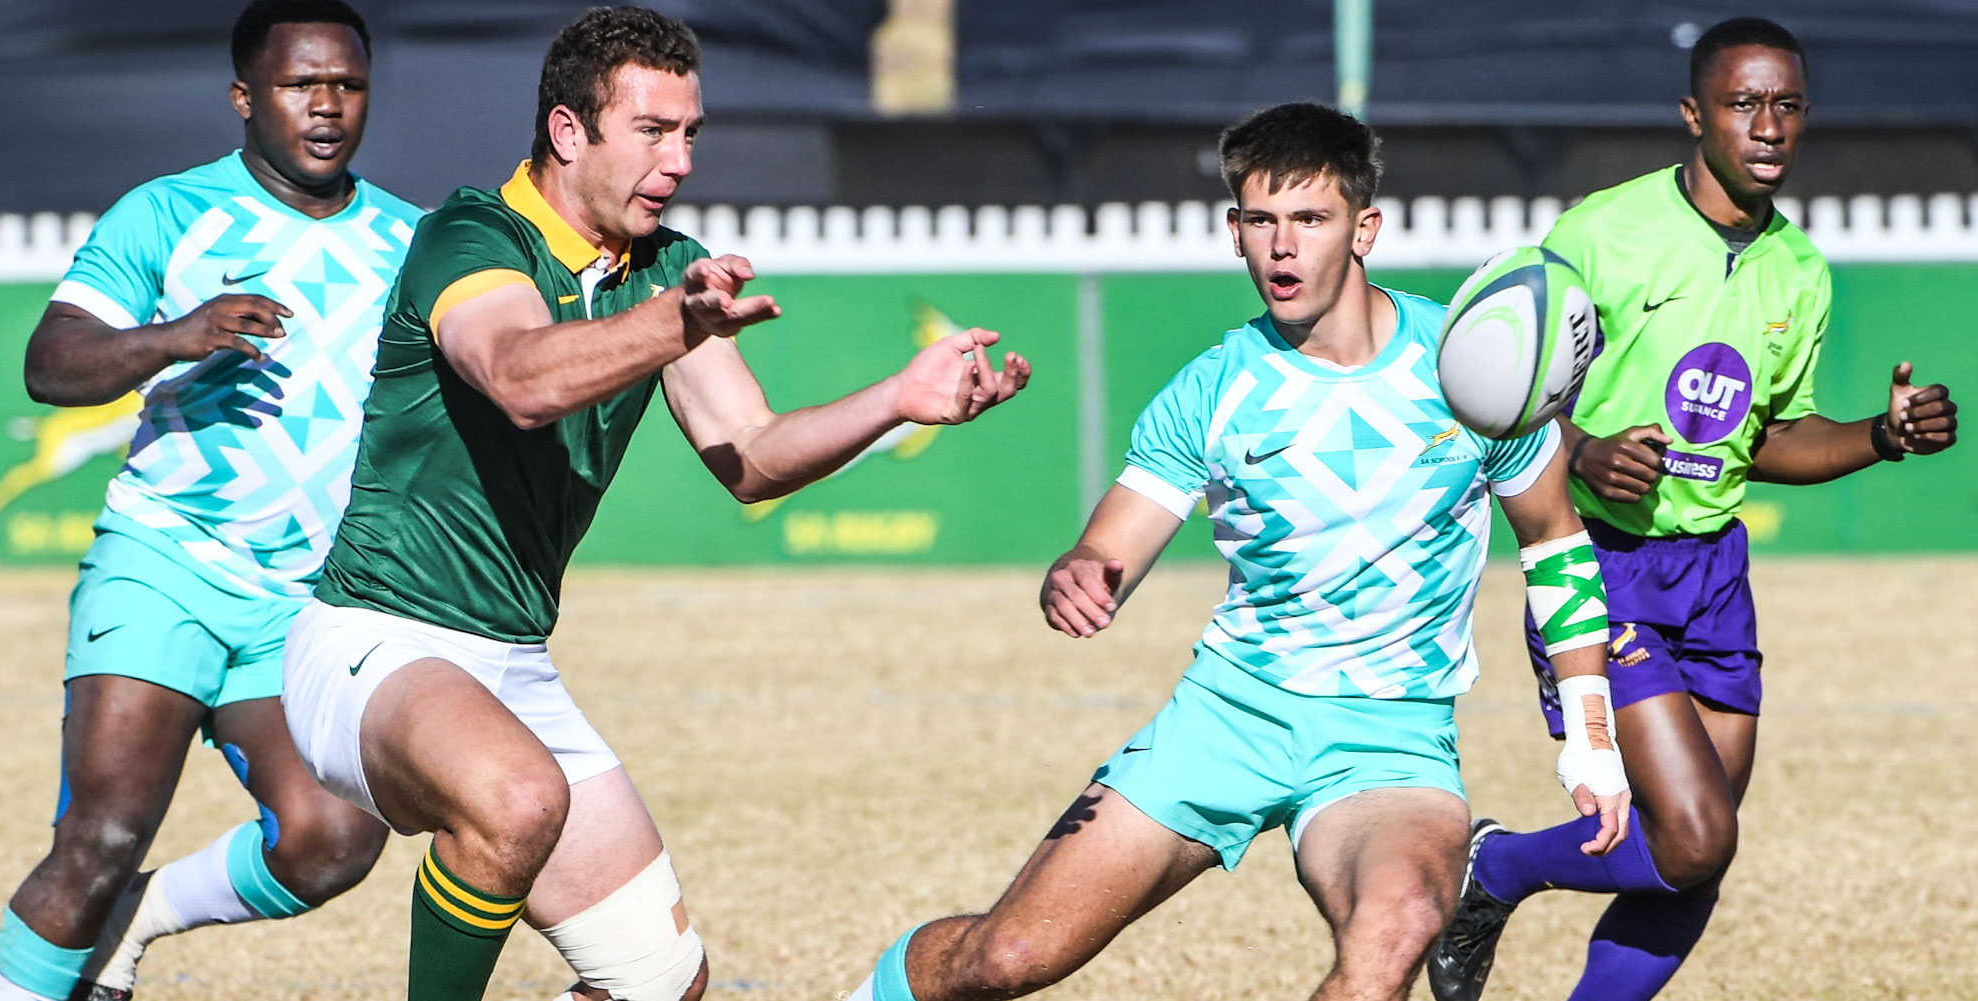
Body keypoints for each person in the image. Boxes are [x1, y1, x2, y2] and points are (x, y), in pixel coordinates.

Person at [275, 7, 1032, 1001]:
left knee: (658, 980)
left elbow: (752, 455)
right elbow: (519, 376)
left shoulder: (667, 268)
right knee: (517, 798)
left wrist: (895, 398)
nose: (678, 161)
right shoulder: (471, 236)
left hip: (511, 662)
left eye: (690, 133)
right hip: (371, 641)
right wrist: (672, 322)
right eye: (651, 131)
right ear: (567, 131)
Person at [848, 101, 1634, 1001]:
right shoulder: (1211, 391)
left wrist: (1591, 737)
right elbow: (1109, 544)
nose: (1283, 247)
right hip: (1228, 716)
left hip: (1391, 739)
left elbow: (1554, 542)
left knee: (1399, 930)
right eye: (1261, 221)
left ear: (1365, 228)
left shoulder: (1470, 370)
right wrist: (1077, 574)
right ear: (1235, 232)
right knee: (1006, 957)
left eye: (1310, 219)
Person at [1427, 17, 1960, 1001]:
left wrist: (1880, 436)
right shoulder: (1599, 234)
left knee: (1691, 858)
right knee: (1697, 832)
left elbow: (1769, 438)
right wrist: (1583, 450)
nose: (1768, 125)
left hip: (1712, 572)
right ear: (1693, 114)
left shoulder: (1798, 271)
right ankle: (1494, 865)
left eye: (1786, 105)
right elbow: (1501, 394)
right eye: (1742, 102)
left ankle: (1510, 885)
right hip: (1599, 562)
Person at [0, 4, 422, 1001]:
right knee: (100, 836)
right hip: (165, 562)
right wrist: (174, 336)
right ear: (243, 97)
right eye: (299, 85)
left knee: (334, 837)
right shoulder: (166, 213)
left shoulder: (414, 240)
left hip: (304, 604)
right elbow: (51, 363)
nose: (326, 106)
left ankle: (129, 924)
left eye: (347, 86)